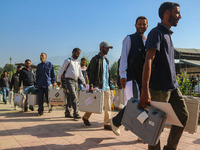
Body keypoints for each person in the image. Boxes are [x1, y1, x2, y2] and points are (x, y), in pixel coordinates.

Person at [140, 2, 188, 150]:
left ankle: (170, 148)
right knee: (155, 127)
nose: (180, 16)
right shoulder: (156, 33)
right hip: (159, 88)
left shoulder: (167, 34)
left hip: (172, 87)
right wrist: (144, 90)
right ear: (167, 13)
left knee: (183, 115)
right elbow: (148, 60)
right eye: (177, 13)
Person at [109, 16, 148, 135]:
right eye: (139, 24)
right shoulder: (129, 38)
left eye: (144, 24)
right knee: (134, 104)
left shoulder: (147, 41)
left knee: (143, 105)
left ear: (147, 26)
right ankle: (116, 122)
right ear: (135, 25)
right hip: (131, 77)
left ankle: (139, 131)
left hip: (143, 79)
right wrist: (122, 75)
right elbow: (124, 57)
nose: (141, 26)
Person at [82, 41, 113, 130]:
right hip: (97, 86)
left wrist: (110, 86)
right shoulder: (95, 59)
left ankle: (107, 123)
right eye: (106, 48)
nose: (108, 50)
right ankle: (85, 117)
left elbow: (108, 73)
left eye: (108, 48)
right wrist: (91, 85)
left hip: (106, 86)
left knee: (108, 106)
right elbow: (91, 73)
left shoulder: (106, 60)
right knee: (94, 104)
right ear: (101, 47)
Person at [57, 48, 86, 119]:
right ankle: (76, 113)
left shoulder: (78, 62)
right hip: (68, 81)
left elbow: (80, 74)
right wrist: (58, 79)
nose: (78, 55)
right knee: (74, 96)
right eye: (77, 53)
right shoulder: (68, 60)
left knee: (70, 97)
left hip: (75, 81)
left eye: (79, 54)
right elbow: (61, 70)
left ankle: (67, 112)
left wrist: (84, 82)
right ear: (73, 52)